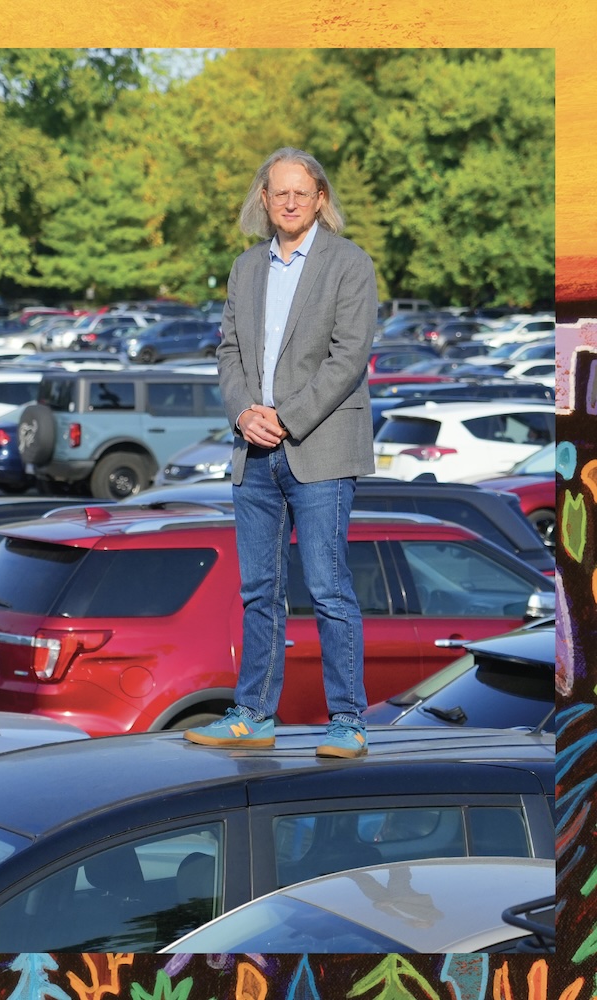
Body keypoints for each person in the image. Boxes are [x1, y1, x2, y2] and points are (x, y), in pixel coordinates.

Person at [184, 147, 378, 758]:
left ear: (321, 198)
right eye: (278, 192)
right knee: (258, 591)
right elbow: (228, 352)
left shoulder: (350, 265)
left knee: (328, 589)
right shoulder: (246, 269)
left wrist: (284, 417)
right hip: (254, 453)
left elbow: (348, 359)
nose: (289, 202)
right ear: (262, 200)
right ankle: (253, 714)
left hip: (319, 448)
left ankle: (348, 721)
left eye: (302, 192)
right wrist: (244, 411)